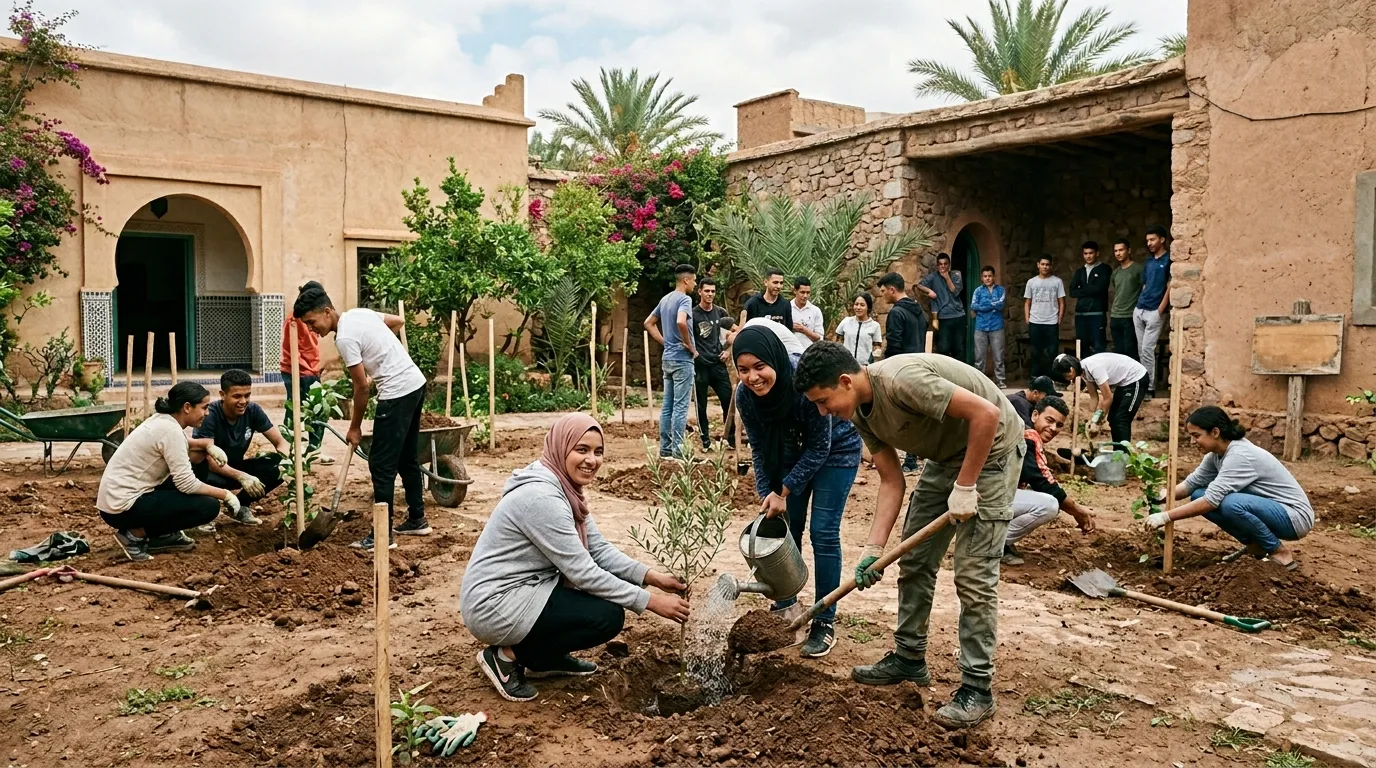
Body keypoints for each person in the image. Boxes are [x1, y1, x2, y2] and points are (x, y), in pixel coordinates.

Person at [795, 342, 1024, 729]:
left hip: (993, 450)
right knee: (915, 562)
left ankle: (977, 689)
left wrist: (966, 486)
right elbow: (891, 480)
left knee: (973, 575)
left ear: (845, 381)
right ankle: (909, 658)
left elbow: (987, 413)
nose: (822, 412)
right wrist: (873, 548)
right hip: (947, 457)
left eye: (823, 401)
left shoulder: (902, 381)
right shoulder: (859, 412)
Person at [460, 414, 691, 702]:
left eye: (598, 451)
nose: (591, 460)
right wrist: (651, 601)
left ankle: (545, 658)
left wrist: (651, 577)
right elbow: (583, 572)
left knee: (599, 607)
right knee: (605, 616)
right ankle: (506, 657)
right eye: (581, 450)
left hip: (526, 589)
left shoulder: (565, 489)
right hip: (494, 605)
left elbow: (597, 549)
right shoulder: (542, 498)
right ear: (561, 447)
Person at [734, 327, 862, 658]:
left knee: (823, 533)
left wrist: (785, 489)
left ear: (774, 359)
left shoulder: (800, 381)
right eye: (743, 369)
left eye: (759, 366)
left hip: (836, 448)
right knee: (787, 528)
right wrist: (768, 492)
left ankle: (824, 620)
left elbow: (820, 447)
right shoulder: (744, 395)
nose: (752, 377)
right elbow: (758, 446)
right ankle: (787, 606)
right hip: (789, 450)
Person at [295, 285, 430, 550]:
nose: (312, 329)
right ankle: (417, 519)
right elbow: (397, 321)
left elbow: (362, 388)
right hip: (415, 383)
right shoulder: (359, 314)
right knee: (406, 457)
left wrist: (354, 427)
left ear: (327, 311)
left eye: (312, 322)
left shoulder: (344, 338)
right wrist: (380, 355)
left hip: (397, 393)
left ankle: (382, 535)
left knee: (381, 465)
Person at [97, 382, 245, 562]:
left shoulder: (163, 421)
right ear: (187, 407)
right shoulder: (170, 431)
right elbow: (186, 484)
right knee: (208, 506)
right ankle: (133, 536)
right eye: (204, 407)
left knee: (199, 461)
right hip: (122, 508)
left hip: (116, 500)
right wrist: (226, 495)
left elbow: (185, 445)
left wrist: (207, 446)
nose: (207, 413)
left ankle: (160, 535)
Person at [1151, 406, 1313, 570]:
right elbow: (1192, 484)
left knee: (1230, 504)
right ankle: (1257, 544)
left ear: (1215, 432)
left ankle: (1279, 552)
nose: (1192, 442)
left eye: (1196, 435)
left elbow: (1211, 501)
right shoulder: (1215, 455)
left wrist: (1166, 517)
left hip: (1295, 518)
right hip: (1272, 510)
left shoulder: (1239, 455)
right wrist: (1162, 495)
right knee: (1198, 494)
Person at [1003, 397, 1096, 565]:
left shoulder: (1024, 433)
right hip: (987, 495)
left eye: (1059, 425)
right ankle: (995, 542)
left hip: (989, 493)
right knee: (1049, 505)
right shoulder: (1029, 437)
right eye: (1049, 420)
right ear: (1035, 415)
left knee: (1038, 497)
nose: (1053, 428)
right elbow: (1044, 483)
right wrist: (1077, 511)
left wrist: (1075, 508)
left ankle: (996, 538)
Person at [191, 368, 289, 526]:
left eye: (247, 395)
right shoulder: (210, 415)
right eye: (237, 396)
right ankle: (203, 512)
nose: (243, 401)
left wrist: (289, 461)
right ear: (222, 395)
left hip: (236, 468)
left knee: (278, 466)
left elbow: (280, 442)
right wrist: (243, 477)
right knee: (198, 475)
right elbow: (211, 461)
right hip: (210, 473)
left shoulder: (253, 411)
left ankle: (241, 505)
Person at [644, 264, 698, 459]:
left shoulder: (665, 299)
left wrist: (666, 342)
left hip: (667, 358)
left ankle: (665, 450)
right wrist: (689, 345)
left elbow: (648, 323)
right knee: (680, 407)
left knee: (667, 407)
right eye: (694, 280)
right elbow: (681, 321)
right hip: (682, 359)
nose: (695, 284)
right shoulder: (684, 299)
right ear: (686, 280)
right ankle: (678, 451)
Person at [876, 271, 929, 473]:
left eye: (883, 291)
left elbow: (894, 343)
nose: (882, 295)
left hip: (901, 369)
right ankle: (915, 455)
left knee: (904, 414)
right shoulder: (919, 311)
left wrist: (886, 366)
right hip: (919, 365)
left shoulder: (897, 313)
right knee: (916, 413)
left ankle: (908, 459)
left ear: (892, 289)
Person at [1051, 352, 1148, 448]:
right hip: (1124, 383)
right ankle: (1117, 451)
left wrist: (1097, 422)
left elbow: (1108, 398)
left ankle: (1125, 453)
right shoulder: (1084, 371)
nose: (1066, 379)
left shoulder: (1094, 368)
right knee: (1112, 418)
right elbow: (1094, 397)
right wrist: (1091, 419)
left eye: (1065, 376)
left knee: (1121, 419)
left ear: (1071, 370)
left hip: (1136, 378)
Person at [281, 281, 329, 462]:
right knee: (298, 409)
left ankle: (312, 450)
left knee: (313, 409)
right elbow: (292, 349)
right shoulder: (295, 320)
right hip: (300, 371)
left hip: (309, 369)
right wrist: (306, 371)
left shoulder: (309, 316)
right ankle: (289, 449)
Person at [692, 277, 736, 451]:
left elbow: (737, 331)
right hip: (700, 365)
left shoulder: (720, 312)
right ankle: (705, 441)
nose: (710, 294)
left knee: (728, 400)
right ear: (700, 292)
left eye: (713, 291)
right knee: (701, 405)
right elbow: (685, 336)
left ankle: (729, 438)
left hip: (718, 363)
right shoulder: (693, 314)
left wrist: (728, 350)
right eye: (707, 291)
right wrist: (694, 353)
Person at [1134, 226, 1172, 398]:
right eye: (1148, 240)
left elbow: (1170, 286)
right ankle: (1142, 385)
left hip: (1155, 312)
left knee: (1148, 350)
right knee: (1141, 351)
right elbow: (1145, 284)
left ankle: (1149, 387)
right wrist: (1139, 305)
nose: (1149, 243)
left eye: (1153, 239)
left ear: (1162, 239)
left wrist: (1160, 310)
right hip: (1140, 309)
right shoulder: (1149, 262)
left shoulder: (1169, 260)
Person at [1023, 255, 1065, 379]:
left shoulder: (1057, 281)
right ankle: (1035, 378)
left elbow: (1062, 302)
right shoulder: (1031, 282)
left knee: (1052, 351)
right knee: (1035, 351)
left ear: (1051, 266)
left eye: (1047, 264)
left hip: (1051, 322)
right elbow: (1027, 302)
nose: (1045, 267)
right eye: (1042, 264)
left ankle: (1051, 378)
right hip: (1035, 321)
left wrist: (1059, 319)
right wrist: (1027, 318)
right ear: (1038, 265)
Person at [1069, 241, 1111, 357]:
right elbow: (1072, 291)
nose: (1088, 256)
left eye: (1090, 253)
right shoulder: (1080, 271)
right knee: (1081, 348)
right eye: (1085, 253)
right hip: (1080, 315)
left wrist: (1082, 289)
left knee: (1099, 347)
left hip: (1097, 314)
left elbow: (1100, 288)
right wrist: (1090, 289)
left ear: (1097, 253)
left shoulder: (1104, 269)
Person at [920, 253, 965, 360]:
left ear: (949, 265)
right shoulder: (933, 277)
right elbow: (919, 285)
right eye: (940, 264)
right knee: (943, 348)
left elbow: (954, 291)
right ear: (937, 265)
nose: (943, 266)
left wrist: (947, 277)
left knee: (959, 348)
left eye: (945, 264)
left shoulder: (956, 275)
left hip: (958, 315)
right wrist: (929, 291)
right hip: (943, 317)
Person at [969, 266, 1007, 388]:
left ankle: (1000, 380)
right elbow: (973, 306)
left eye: (990, 276)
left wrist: (984, 306)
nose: (987, 278)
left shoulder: (1000, 290)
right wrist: (991, 306)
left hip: (996, 326)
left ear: (994, 277)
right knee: (979, 357)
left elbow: (1001, 305)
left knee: (999, 356)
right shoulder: (978, 291)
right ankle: (979, 382)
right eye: (985, 276)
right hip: (981, 326)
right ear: (982, 278)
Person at [1109, 238, 1143, 360]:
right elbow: (1116, 291)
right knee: (1118, 352)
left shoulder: (1138, 269)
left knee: (1130, 351)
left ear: (1128, 250)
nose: (1118, 253)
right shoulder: (1115, 272)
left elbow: (1144, 289)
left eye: (1121, 250)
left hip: (1130, 316)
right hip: (1115, 316)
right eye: (1115, 251)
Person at [834, 293, 883, 365]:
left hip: (865, 366)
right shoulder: (846, 321)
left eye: (862, 305)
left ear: (868, 307)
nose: (858, 307)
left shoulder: (875, 326)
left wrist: (873, 360)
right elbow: (837, 342)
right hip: (846, 365)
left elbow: (877, 347)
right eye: (856, 304)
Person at [790, 277, 824, 350]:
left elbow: (819, 338)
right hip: (790, 352)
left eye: (808, 293)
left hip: (810, 353)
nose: (805, 296)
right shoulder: (786, 308)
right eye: (802, 292)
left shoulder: (816, 311)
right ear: (795, 291)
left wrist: (803, 329)